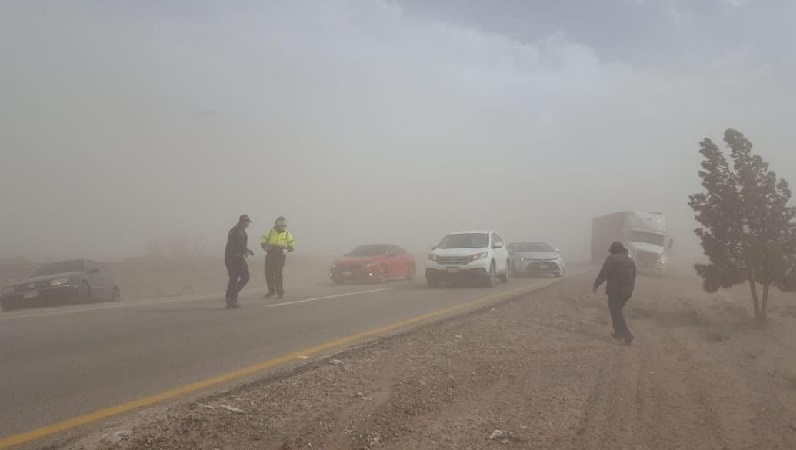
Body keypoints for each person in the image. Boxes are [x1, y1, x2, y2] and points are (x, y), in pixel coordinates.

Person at [593, 241, 637, 345]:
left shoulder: (612, 259)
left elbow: (604, 272)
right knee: (616, 310)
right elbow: (634, 275)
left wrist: (596, 284)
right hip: (628, 291)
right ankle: (618, 333)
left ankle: (627, 335)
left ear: (613, 251)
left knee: (616, 312)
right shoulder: (630, 260)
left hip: (616, 290)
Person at [260, 216, 295, 299]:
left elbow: (292, 246)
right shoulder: (271, 232)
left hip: (280, 256)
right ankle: (271, 291)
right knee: (268, 273)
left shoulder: (287, 234)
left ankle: (280, 292)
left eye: (283, 223)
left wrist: (286, 249)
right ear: (276, 223)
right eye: (280, 223)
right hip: (270, 255)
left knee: (278, 273)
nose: (282, 225)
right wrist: (265, 247)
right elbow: (263, 241)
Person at [224, 214, 254, 308]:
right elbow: (238, 244)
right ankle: (231, 296)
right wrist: (245, 251)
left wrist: (247, 250)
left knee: (234, 278)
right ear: (241, 221)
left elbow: (242, 245)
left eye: (248, 222)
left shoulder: (241, 231)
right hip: (234, 258)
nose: (247, 224)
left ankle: (231, 299)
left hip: (236, 257)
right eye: (246, 222)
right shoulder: (236, 231)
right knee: (244, 277)